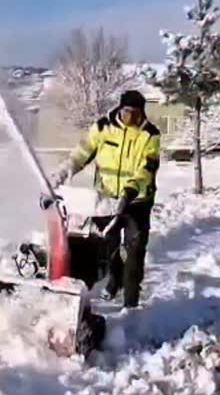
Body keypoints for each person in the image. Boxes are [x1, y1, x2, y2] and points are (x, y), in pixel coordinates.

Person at [49, 89, 161, 308]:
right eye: (127, 111)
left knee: (134, 252)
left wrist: (130, 191)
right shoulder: (102, 128)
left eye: (136, 113)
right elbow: (81, 154)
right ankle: (114, 281)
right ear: (120, 109)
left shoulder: (150, 134)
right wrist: (63, 172)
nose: (130, 117)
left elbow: (147, 169)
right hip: (105, 201)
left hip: (136, 202)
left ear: (142, 113)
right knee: (107, 249)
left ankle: (131, 303)